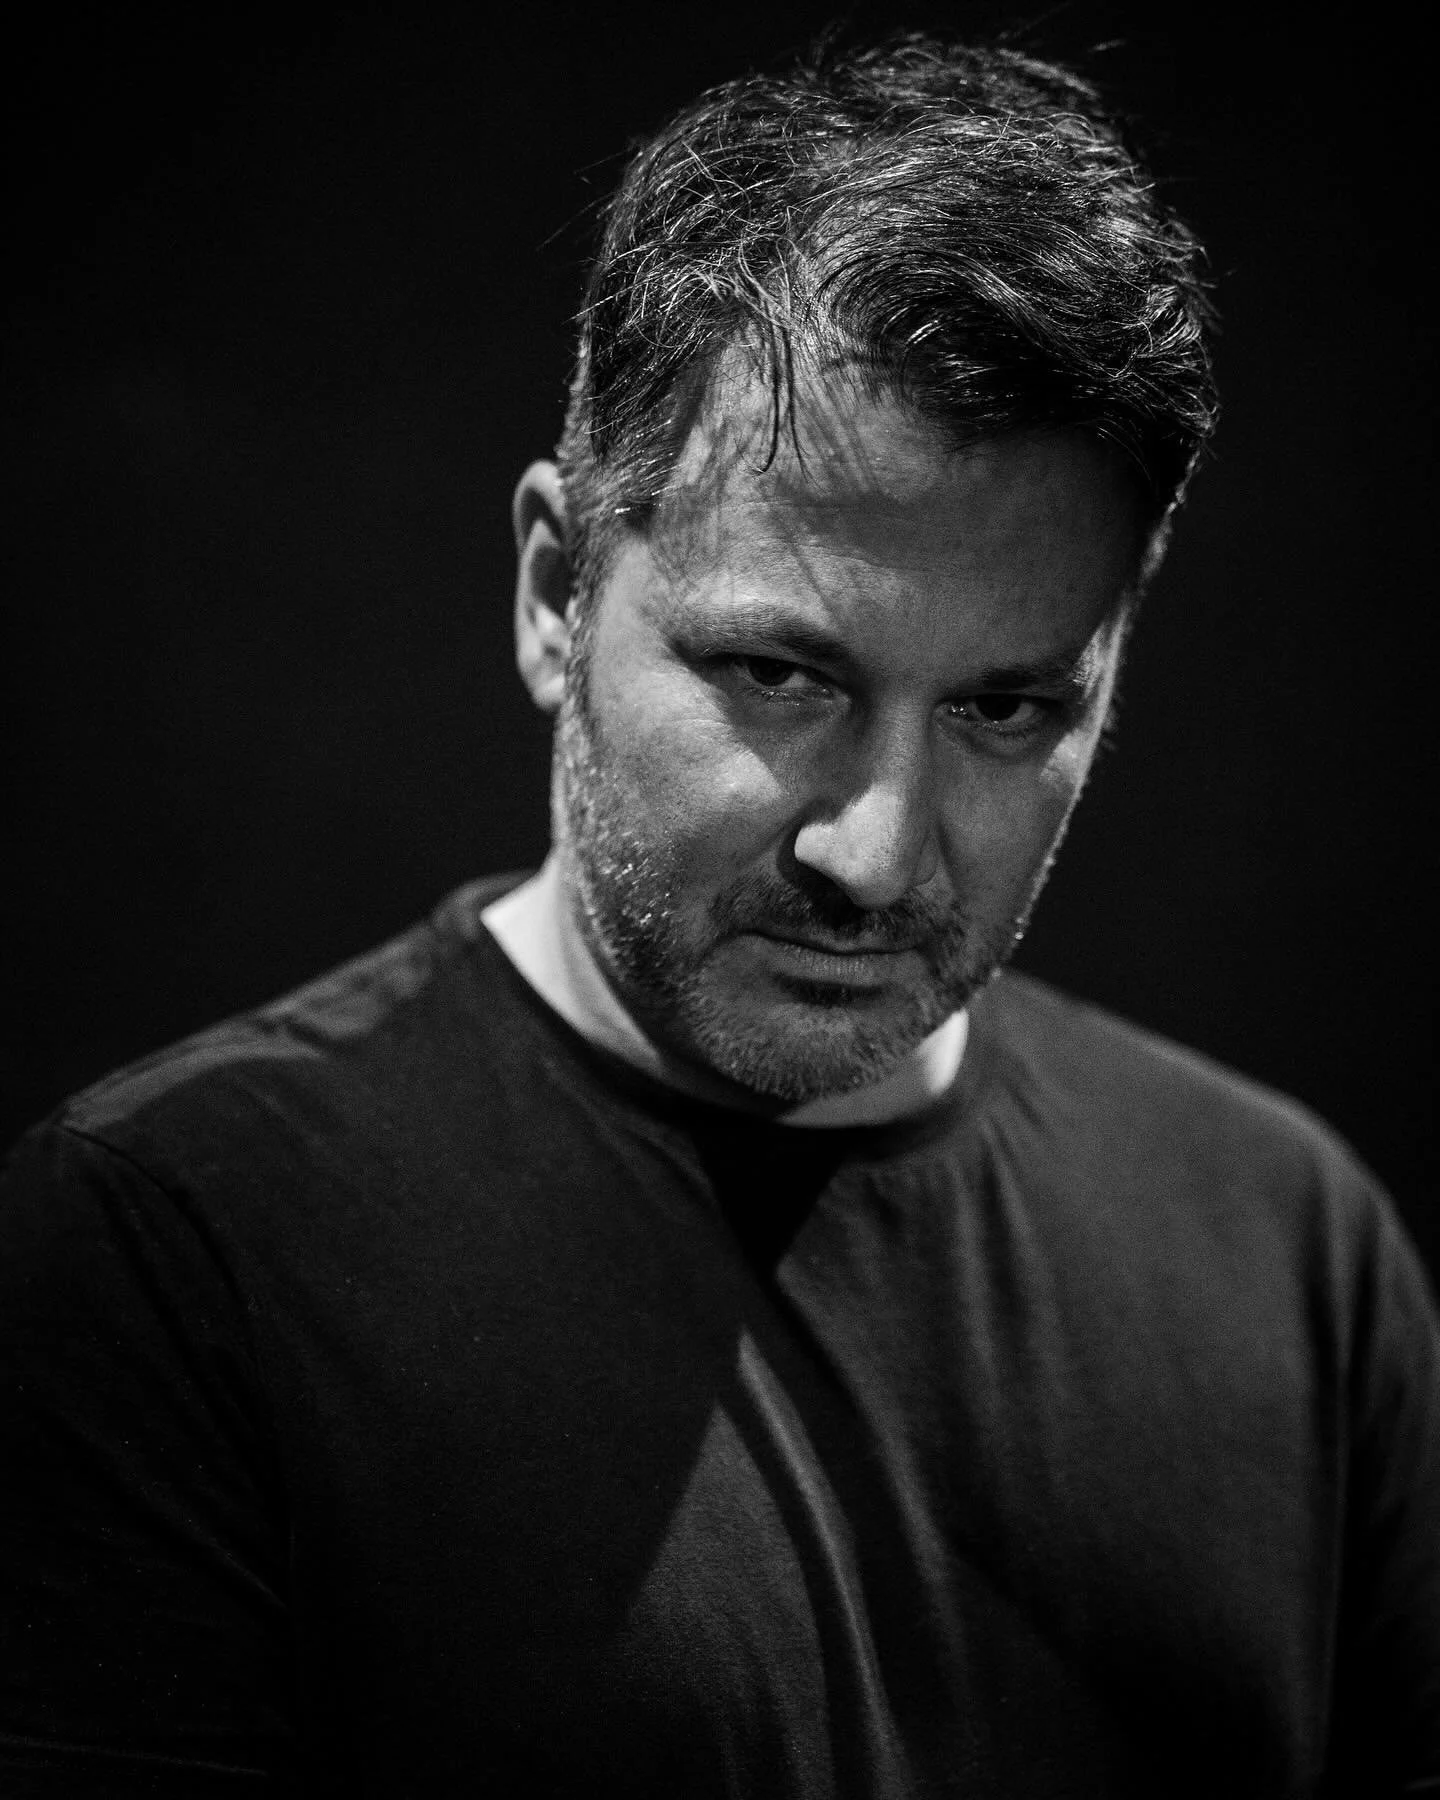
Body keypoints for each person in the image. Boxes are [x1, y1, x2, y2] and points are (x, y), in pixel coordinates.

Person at [1, 31, 1435, 1799]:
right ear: (554, 588)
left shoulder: (1296, 1250)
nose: (879, 851)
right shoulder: (169, 1251)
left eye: (1006, 711)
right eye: (778, 672)